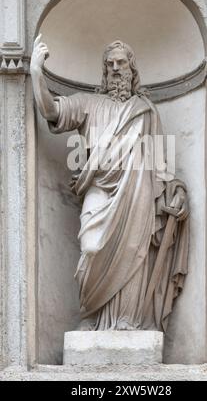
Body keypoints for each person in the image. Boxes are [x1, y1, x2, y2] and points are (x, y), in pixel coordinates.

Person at [30, 35, 189, 332]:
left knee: (134, 254)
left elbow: (160, 165)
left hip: (139, 192)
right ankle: (90, 315)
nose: (116, 68)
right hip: (100, 187)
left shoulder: (146, 110)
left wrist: (174, 191)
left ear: (131, 68)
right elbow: (51, 110)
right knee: (91, 248)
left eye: (121, 62)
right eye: (110, 64)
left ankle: (127, 321)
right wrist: (37, 71)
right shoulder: (89, 104)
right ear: (104, 70)